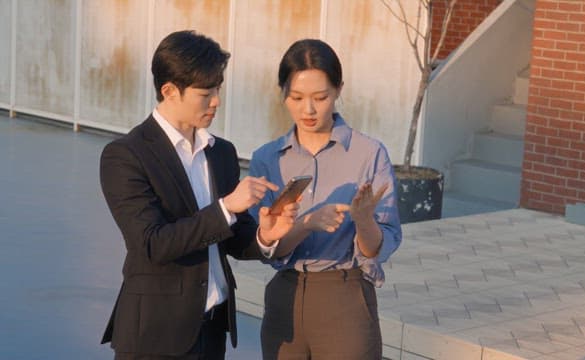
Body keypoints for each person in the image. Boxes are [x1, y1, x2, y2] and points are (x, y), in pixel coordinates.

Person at [99, 30, 298, 359]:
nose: (216, 100)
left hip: (212, 328)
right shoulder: (125, 156)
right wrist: (226, 207)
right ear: (169, 91)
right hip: (154, 335)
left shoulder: (221, 153)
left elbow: (231, 238)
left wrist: (264, 235)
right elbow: (152, 243)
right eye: (206, 92)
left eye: (218, 88)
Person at [249, 39, 402, 360]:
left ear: (338, 90)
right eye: (296, 97)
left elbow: (379, 246)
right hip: (284, 300)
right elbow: (265, 248)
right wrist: (305, 224)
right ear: (282, 93)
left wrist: (363, 221)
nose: (308, 109)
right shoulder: (267, 158)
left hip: (345, 297)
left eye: (320, 97)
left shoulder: (369, 154)